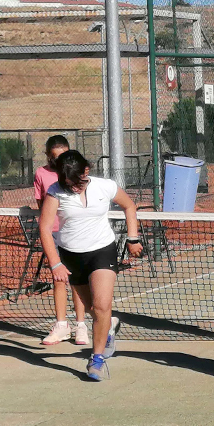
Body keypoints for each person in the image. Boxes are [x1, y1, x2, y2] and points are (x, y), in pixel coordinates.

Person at [39, 150, 143, 381]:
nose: (74, 187)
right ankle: (109, 327)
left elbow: (129, 206)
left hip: (102, 251)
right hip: (71, 256)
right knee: (93, 310)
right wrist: (55, 263)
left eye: (78, 182)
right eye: (68, 183)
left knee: (102, 306)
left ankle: (96, 360)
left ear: (87, 171)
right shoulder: (56, 192)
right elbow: (45, 228)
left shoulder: (105, 186)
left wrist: (132, 238)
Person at [33, 135, 88, 346]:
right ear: (48, 156)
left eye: (63, 155)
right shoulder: (41, 174)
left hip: (75, 233)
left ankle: (81, 326)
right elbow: (42, 205)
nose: (58, 160)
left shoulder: (73, 172)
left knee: (77, 280)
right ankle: (62, 325)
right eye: (55, 157)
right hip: (54, 235)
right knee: (58, 279)